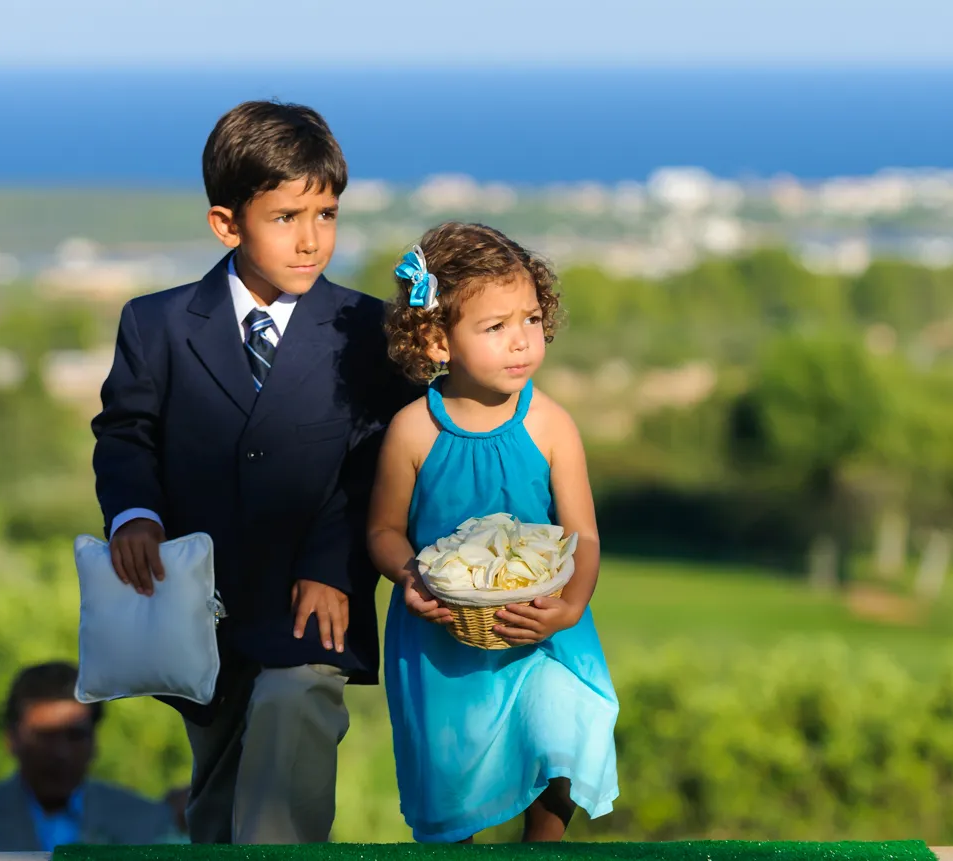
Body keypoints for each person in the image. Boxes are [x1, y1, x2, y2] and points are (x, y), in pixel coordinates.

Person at [90, 100, 418, 844]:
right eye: (286, 217)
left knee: (290, 714)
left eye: (327, 214)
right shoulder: (157, 323)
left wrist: (332, 564)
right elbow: (125, 433)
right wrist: (133, 515)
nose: (312, 240)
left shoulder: (368, 332)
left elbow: (375, 463)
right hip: (198, 611)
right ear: (226, 223)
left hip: (316, 602)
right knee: (217, 805)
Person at [366, 222, 620, 844]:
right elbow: (382, 530)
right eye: (495, 327)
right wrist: (410, 574)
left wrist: (568, 610)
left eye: (531, 320)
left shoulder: (552, 425)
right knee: (451, 777)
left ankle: (545, 844)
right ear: (436, 339)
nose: (521, 343)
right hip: (443, 638)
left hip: (545, 627)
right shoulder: (412, 432)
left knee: (563, 719)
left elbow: (582, 536)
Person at [0, 662, 185, 851]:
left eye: (74, 735)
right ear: (12, 739)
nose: (60, 753)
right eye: (45, 736)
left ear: (95, 740)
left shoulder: (145, 822)